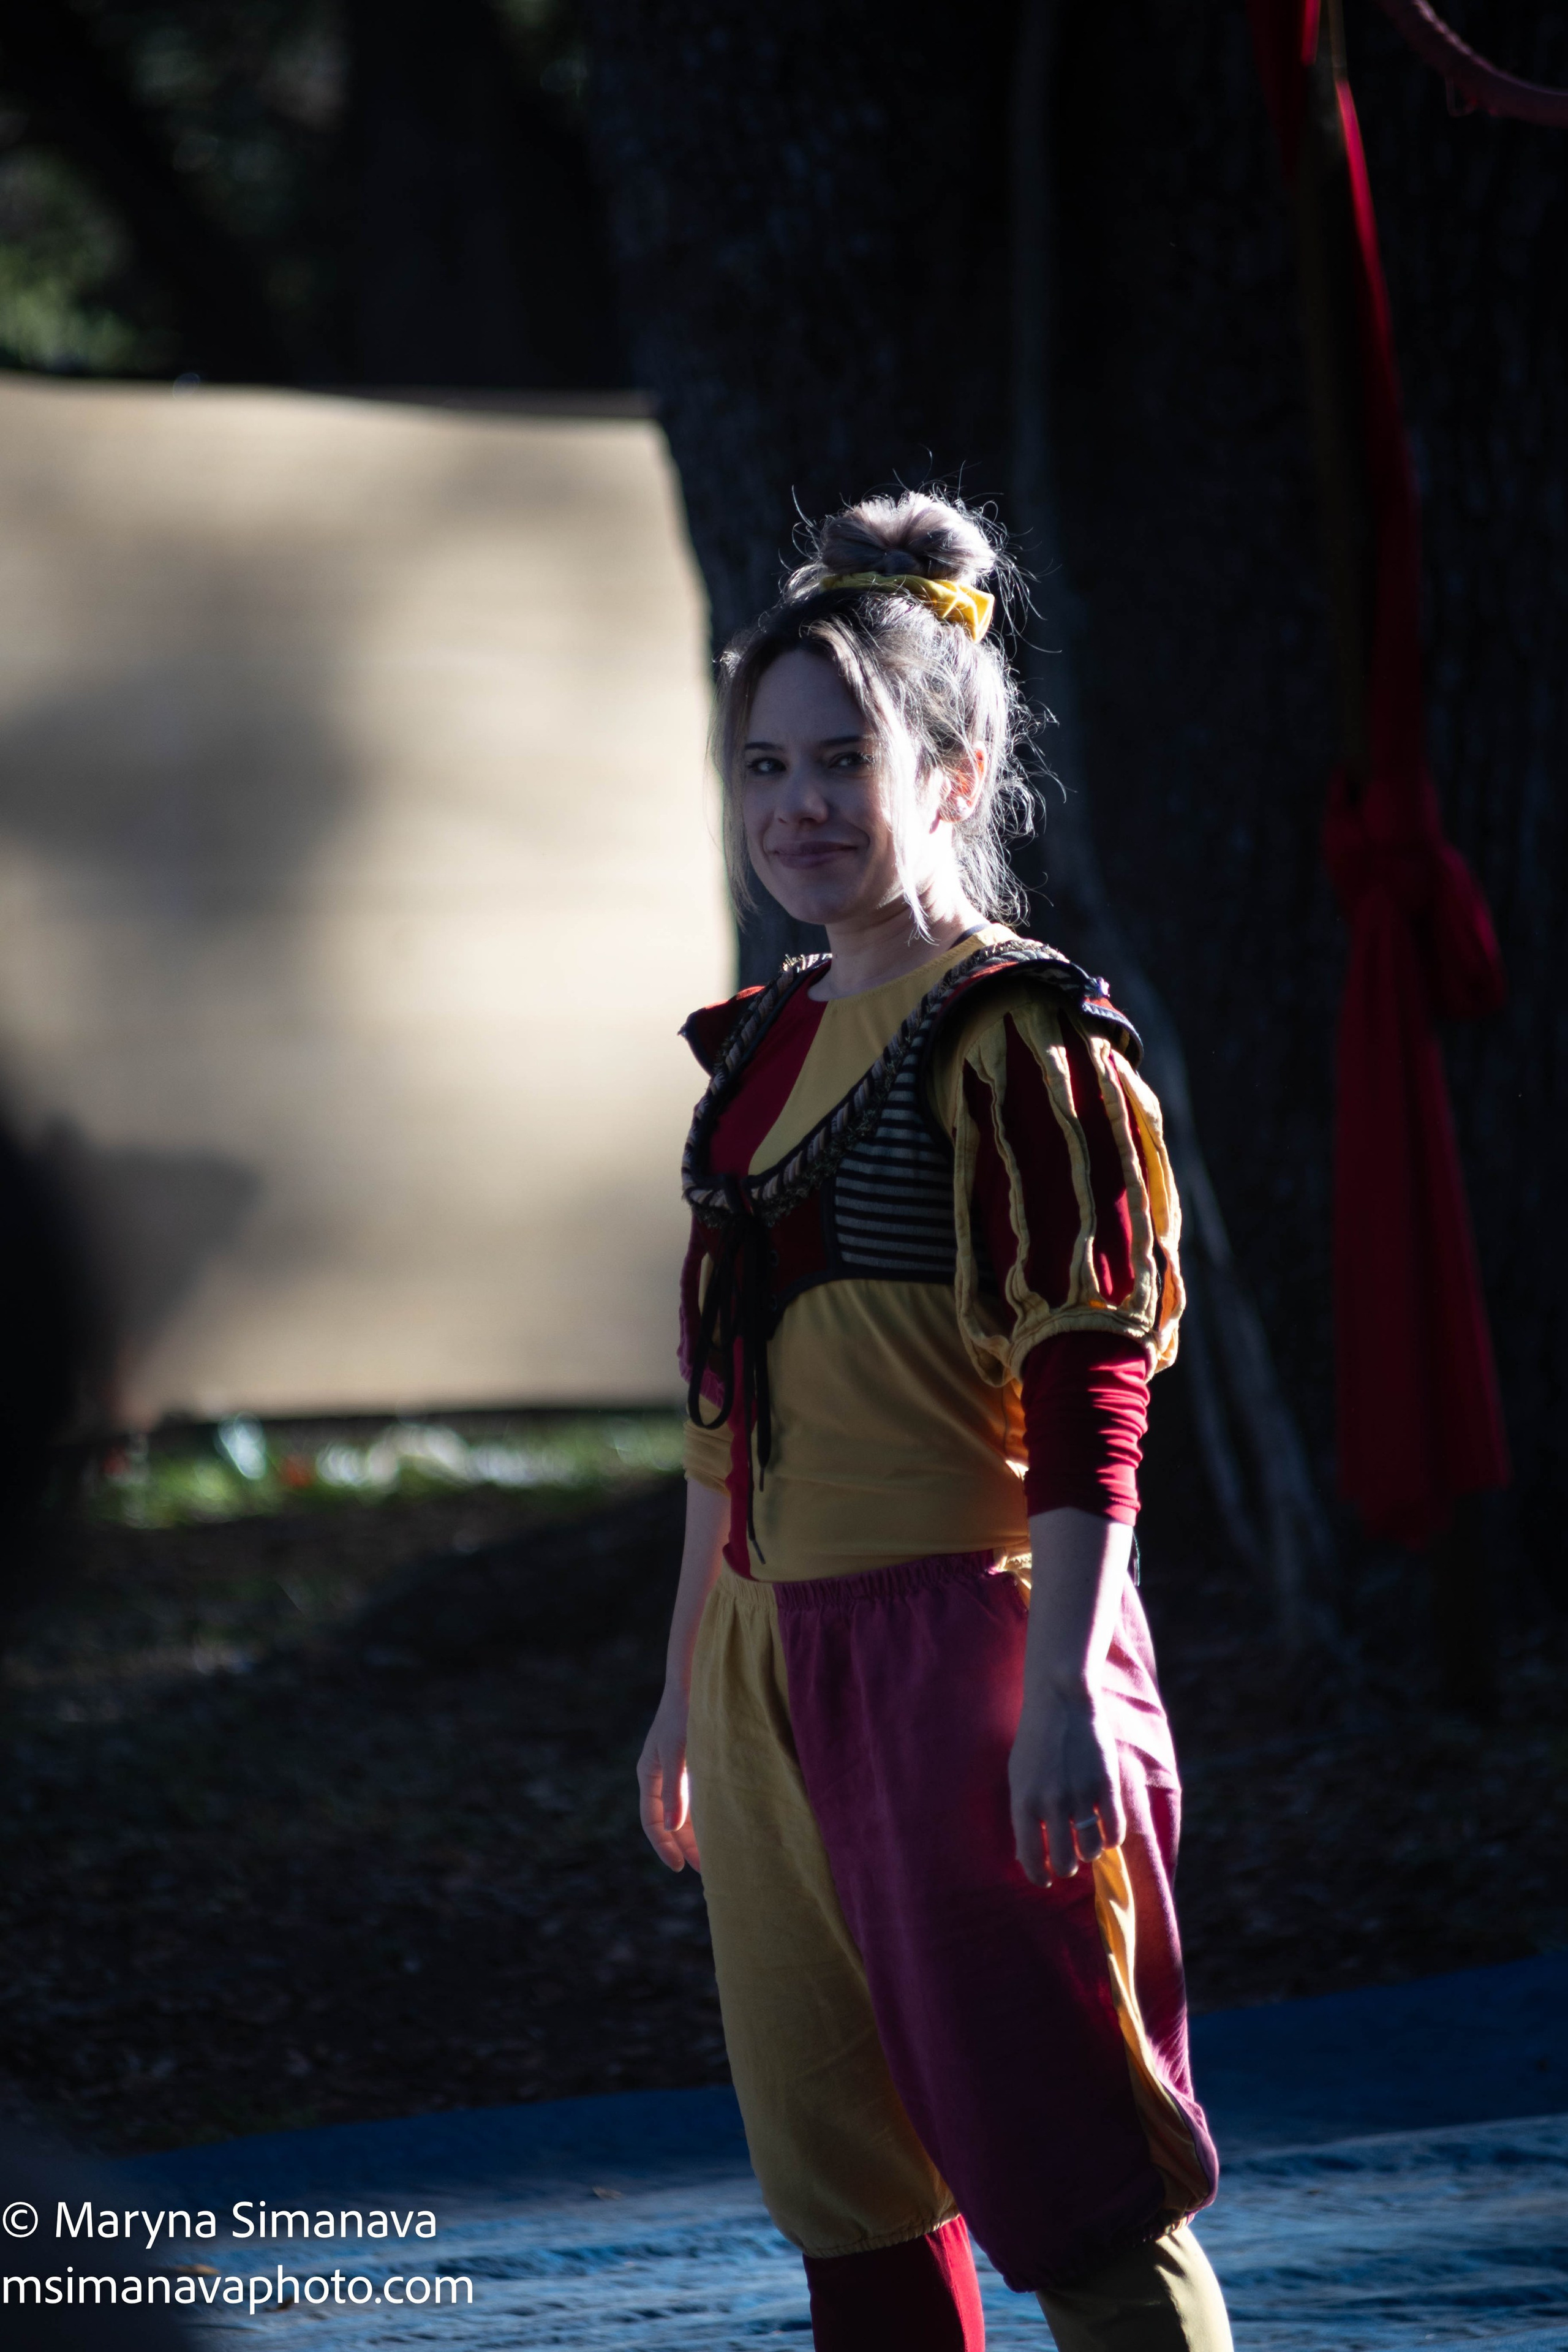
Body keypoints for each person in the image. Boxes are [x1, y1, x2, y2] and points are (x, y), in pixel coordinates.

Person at [638, 491, 1232, 2352]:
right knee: (844, 2187)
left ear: (962, 771)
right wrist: (683, 1690)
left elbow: (1092, 1389)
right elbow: (720, 1426)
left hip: (966, 1647)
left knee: (1068, 2172)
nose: (799, 805)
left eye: (847, 761)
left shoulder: (1018, 1042)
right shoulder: (754, 1054)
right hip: (764, 1661)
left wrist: (1056, 1690)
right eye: (766, 765)